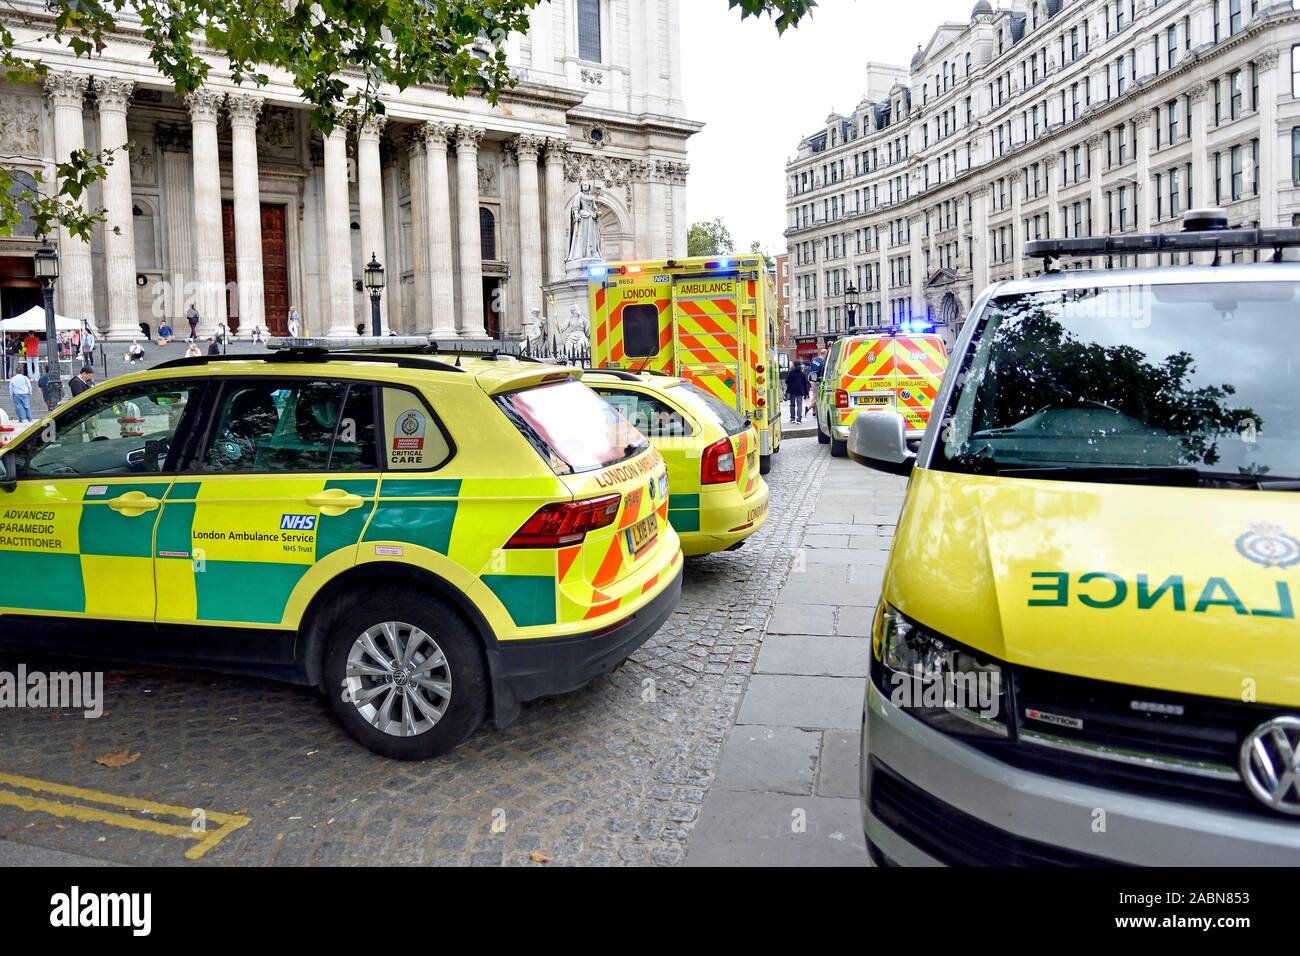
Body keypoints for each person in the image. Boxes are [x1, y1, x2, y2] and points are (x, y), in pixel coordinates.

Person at [784, 359, 810, 424]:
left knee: (792, 405)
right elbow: (805, 384)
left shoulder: (791, 372)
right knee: (799, 405)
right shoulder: (802, 373)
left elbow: (786, 381)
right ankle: (799, 419)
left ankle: (792, 418)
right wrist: (807, 393)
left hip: (792, 391)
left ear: (794, 365)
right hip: (800, 391)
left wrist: (791, 384)